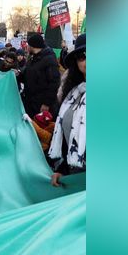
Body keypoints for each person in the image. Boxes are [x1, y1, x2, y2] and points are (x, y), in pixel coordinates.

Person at [49, 34, 86, 186]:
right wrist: (62, 169)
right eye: (82, 56)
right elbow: (68, 136)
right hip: (75, 176)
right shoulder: (73, 94)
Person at [21, 33, 61, 116]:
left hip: (42, 105)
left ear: (32, 46)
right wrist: (18, 74)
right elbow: (28, 75)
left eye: (28, 44)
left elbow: (54, 83)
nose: (26, 47)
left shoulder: (49, 59)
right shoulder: (32, 58)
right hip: (31, 102)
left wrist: (47, 103)